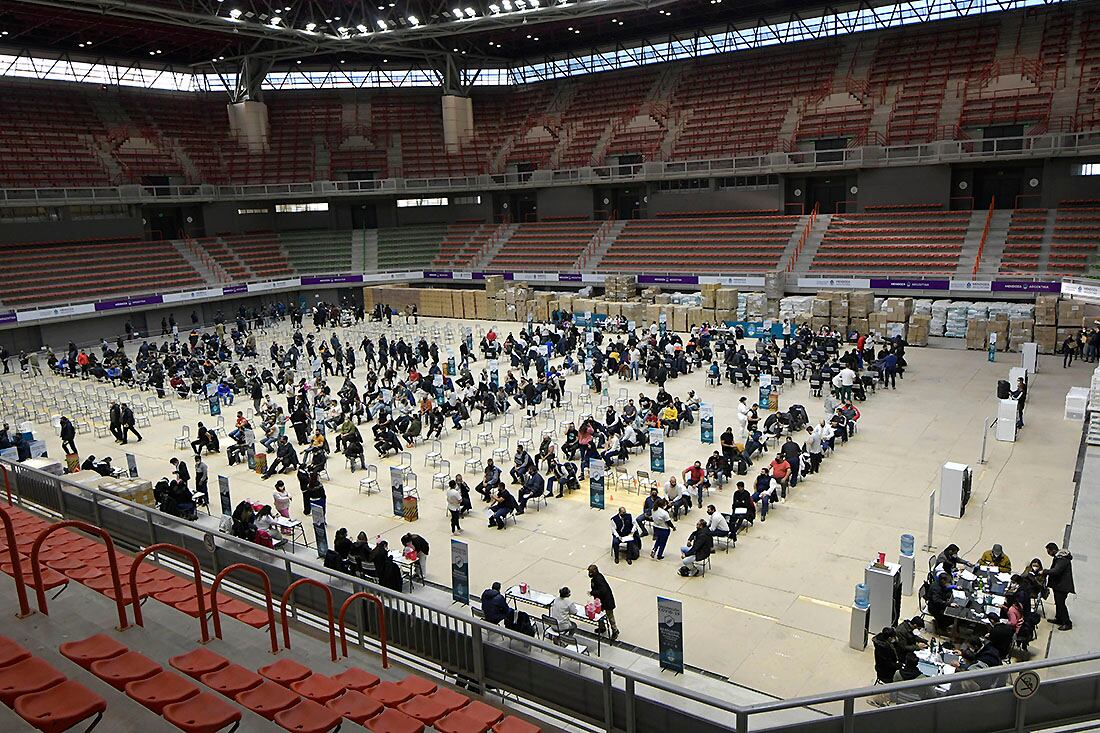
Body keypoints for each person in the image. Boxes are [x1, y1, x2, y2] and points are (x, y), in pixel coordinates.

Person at [1046, 542, 1074, 630]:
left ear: (1053, 550)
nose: (1048, 554)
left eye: (1049, 552)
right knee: (1058, 603)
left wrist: (1045, 571)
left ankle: (1067, 623)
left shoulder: (1062, 559)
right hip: (1058, 585)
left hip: (1062, 586)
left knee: (1061, 604)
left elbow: (1056, 571)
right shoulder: (1059, 557)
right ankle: (1059, 618)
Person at [587, 565, 619, 640]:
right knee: (599, 614)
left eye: (590, 572)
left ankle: (615, 631)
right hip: (599, 601)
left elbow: (603, 591)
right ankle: (602, 627)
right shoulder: (595, 578)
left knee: (610, 616)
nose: (589, 574)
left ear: (595, 571)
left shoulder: (599, 579)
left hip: (607, 600)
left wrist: (593, 593)